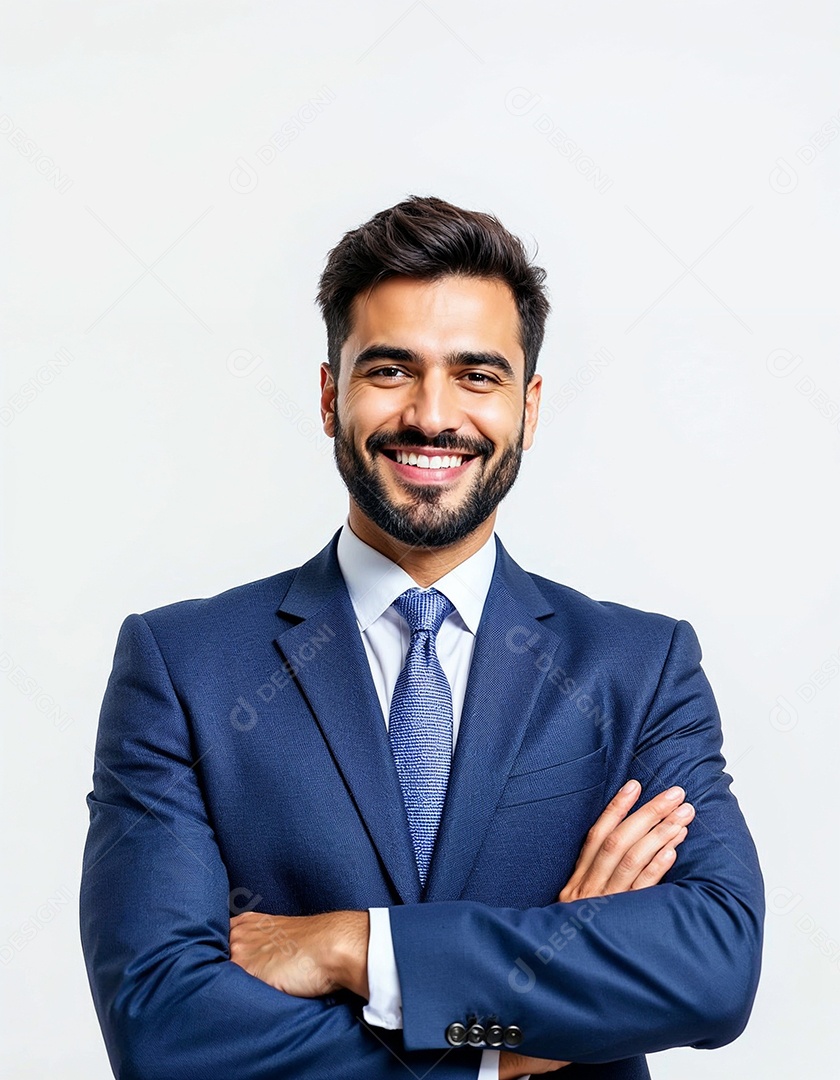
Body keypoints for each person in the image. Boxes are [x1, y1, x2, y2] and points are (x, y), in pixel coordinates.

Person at [80, 196, 764, 1080]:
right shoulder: (182, 667)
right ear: (331, 396)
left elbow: (712, 966)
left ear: (530, 405)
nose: (433, 416)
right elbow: (163, 1029)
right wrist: (507, 1051)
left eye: (478, 375)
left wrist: (359, 946)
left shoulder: (641, 668)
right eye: (391, 370)